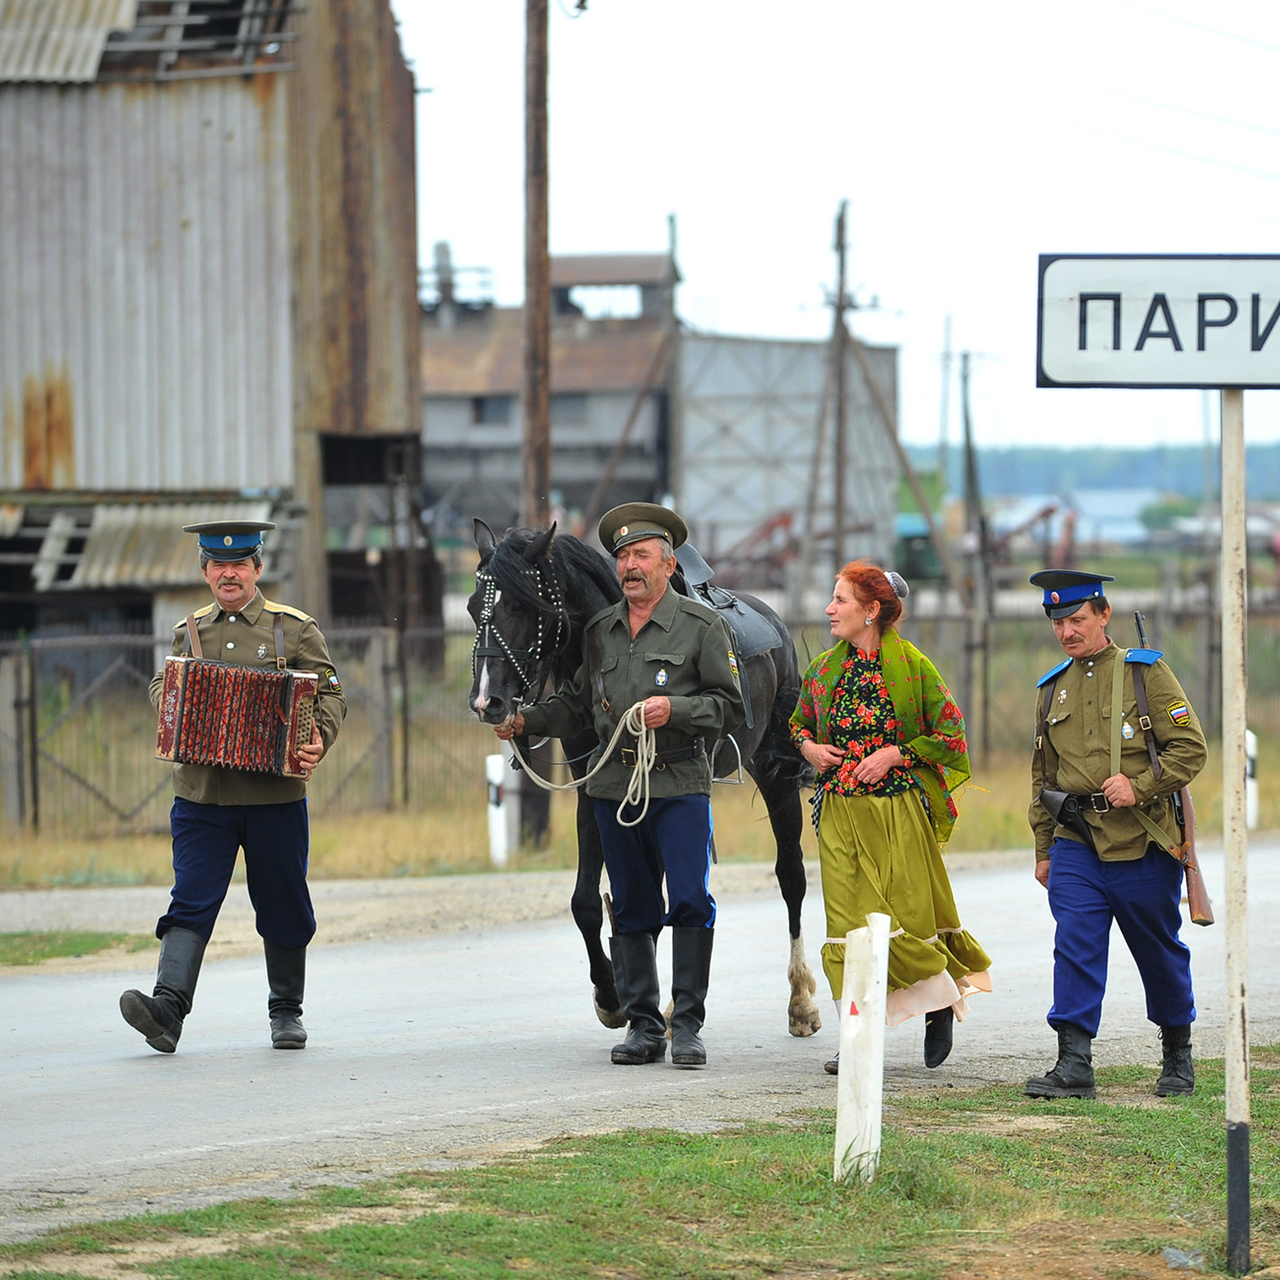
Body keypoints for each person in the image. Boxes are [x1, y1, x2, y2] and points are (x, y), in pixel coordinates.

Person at [492, 502, 743, 1068]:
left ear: (669, 564)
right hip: (613, 789)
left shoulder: (703, 627)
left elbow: (730, 707)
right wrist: (526, 721)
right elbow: (578, 704)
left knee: (688, 901)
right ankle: (643, 1025)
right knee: (630, 906)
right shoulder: (601, 631)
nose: (630, 566)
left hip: (678, 784)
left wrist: (672, 710)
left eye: (642, 556)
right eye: (623, 556)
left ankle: (686, 1026)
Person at [120, 521, 346, 1054]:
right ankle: (167, 1011)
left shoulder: (294, 629)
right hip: (201, 798)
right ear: (205, 572)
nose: (229, 573)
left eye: (239, 564)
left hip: (275, 801)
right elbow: (162, 681)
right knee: (191, 900)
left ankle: (286, 1012)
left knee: (284, 902)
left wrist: (319, 738)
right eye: (218, 566)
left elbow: (332, 693)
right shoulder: (188, 630)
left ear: (257, 570)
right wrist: (173, 705)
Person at [790, 560, 990, 1075]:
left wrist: (896, 754)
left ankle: (940, 1002)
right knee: (847, 926)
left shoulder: (915, 668)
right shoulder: (824, 671)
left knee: (905, 919)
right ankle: (855, 1036)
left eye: (840, 600)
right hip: (837, 812)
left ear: (871, 610)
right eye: (832, 598)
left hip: (898, 812)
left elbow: (952, 738)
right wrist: (811, 749)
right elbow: (797, 725)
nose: (829, 609)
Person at [1025, 570, 1206, 1100]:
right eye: (1058, 623)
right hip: (1077, 841)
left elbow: (1191, 749)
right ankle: (1074, 1062)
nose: (1067, 632)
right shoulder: (1051, 688)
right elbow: (1043, 779)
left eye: (1077, 620)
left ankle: (1177, 1051)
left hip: (1144, 840)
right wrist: (1043, 850)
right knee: (1075, 945)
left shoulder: (1145, 674)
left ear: (1103, 615)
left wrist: (1142, 784)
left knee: (1158, 951)